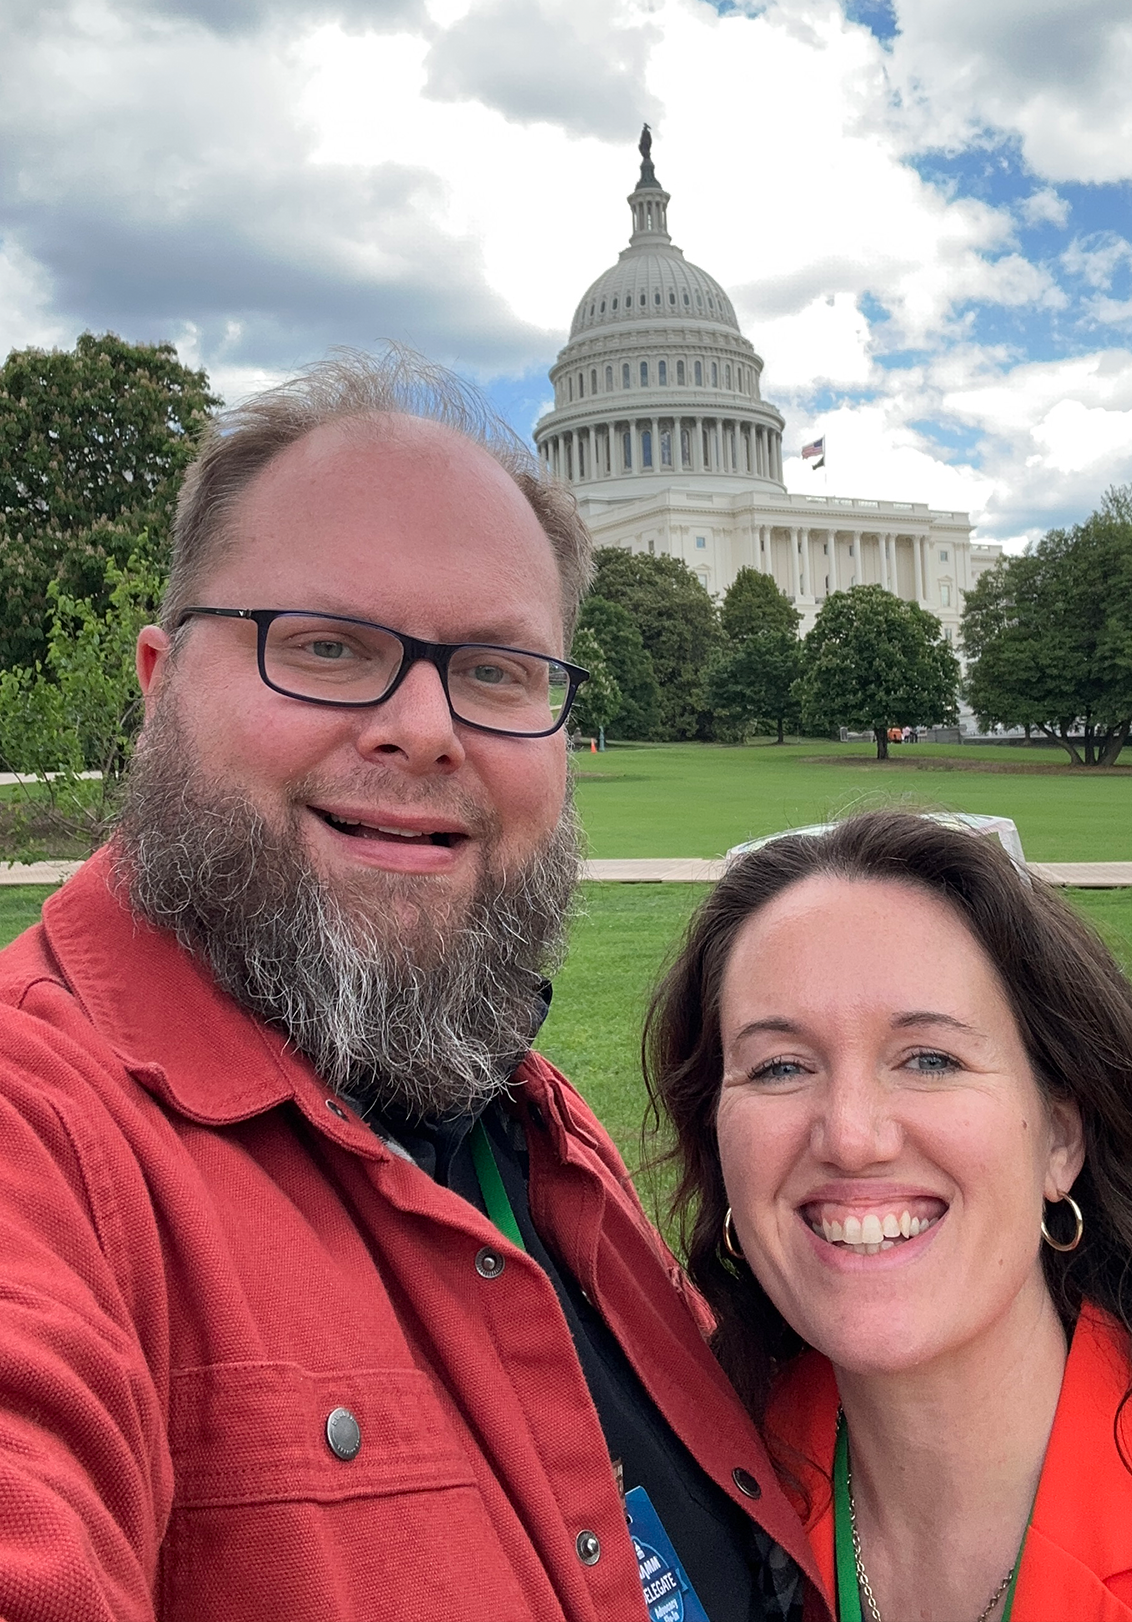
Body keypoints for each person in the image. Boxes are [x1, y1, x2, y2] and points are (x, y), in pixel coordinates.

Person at [0, 350, 825, 1622]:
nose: (427, 728)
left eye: (498, 670)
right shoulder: (44, 1140)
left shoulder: (518, 1111)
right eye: (325, 645)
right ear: (160, 688)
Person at [645, 811, 1132, 1622]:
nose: (851, 1136)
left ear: (1061, 1137)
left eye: (930, 1058)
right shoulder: (687, 1511)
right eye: (780, 1067)